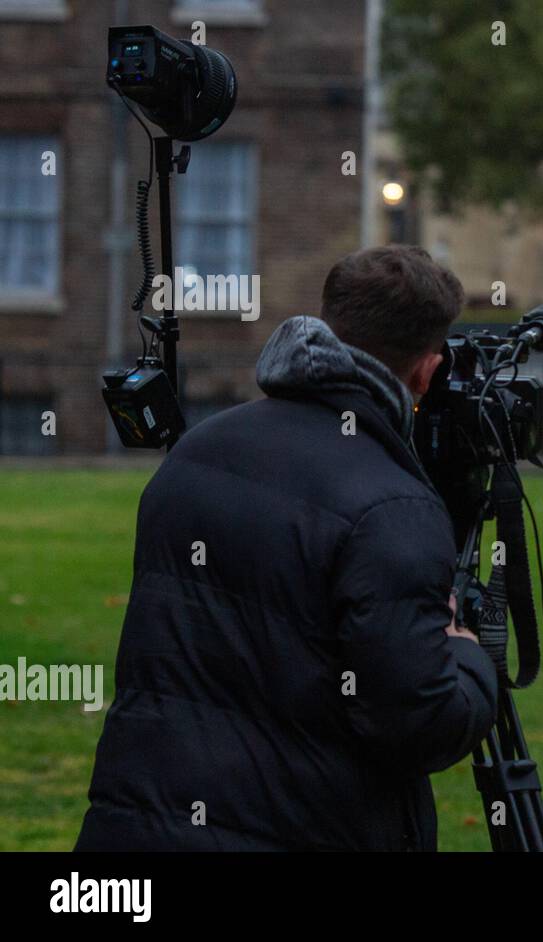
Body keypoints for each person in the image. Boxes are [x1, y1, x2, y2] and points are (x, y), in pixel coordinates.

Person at [76, 245, 497, 851]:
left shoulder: (198, 449)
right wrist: (468, 656)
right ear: (425, 375)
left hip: (136, 832)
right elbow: (417, 722)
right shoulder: (392, 506)